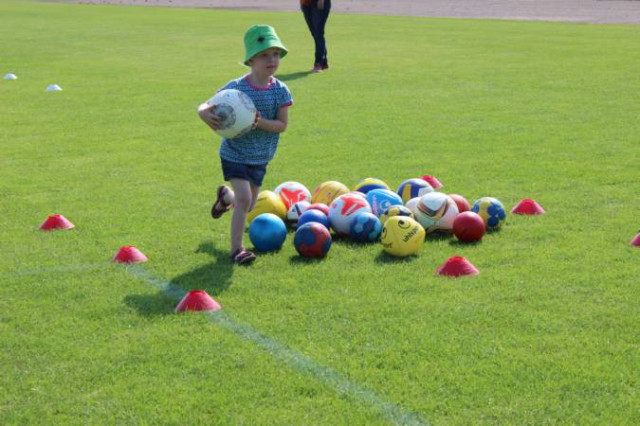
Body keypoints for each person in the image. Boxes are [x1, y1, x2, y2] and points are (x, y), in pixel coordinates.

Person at [197, 25, 293, 265]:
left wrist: (258, 121)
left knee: (247, 204)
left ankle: (224, 197)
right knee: (243, 199)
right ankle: (237, 250)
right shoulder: (236, 88)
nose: (272, 59)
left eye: (275, 54)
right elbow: (206, 105)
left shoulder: (281, 91)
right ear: (251, 59)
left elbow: (282, 125)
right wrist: (202, 113)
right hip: (235, 153)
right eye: (264, 54)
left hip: (261, 157)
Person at [300, 0, 331, 72]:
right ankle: (323, 62)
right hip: (306, 2)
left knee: (318, 33)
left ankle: (318, 63)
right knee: (315, 33)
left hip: (318, 2)